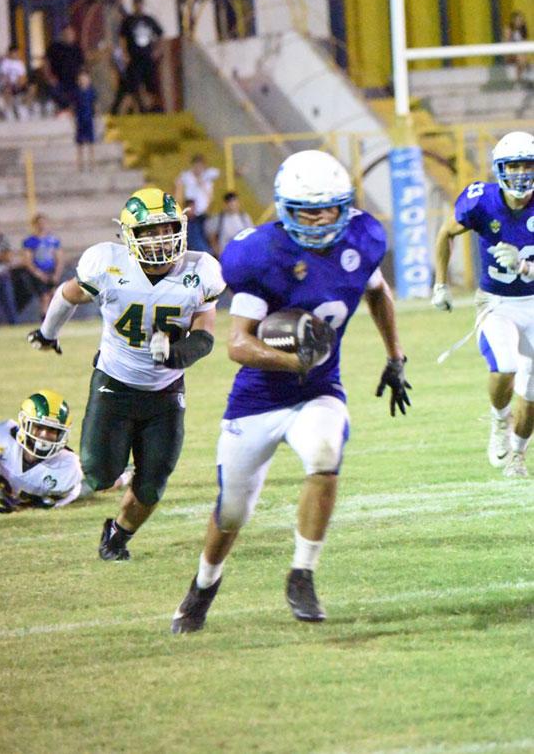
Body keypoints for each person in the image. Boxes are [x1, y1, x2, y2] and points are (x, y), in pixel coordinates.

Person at [170, 149, 411, 633]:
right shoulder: (262, 254)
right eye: (308, 209)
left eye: (329, 207)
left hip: (319, 391)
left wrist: (394, 357)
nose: (321, 218)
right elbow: (237, 344)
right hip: (258, 398)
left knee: (325, 454)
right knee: (233, 510)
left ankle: (302, 574)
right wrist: (292, 358)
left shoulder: (362, 239)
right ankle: (203, 585)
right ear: (286, 208)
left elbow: (377, 292)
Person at [26, 187, 225, 560]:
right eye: (149, 231)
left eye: (166, 228)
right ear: (129, 235)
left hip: (165, 391)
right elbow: (68, 294)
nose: (160, 238)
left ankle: (117, 536)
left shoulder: (201, 270)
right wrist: (47, 333)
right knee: (100, 474)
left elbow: (206, 335)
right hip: (114, 383)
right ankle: (118, 461)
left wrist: (175, 354)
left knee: (153, 485)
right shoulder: (107, 263)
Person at [432, 130, 534, 478]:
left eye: (527, 165)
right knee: (504, 365)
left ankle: (518, 456)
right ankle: (497, 422)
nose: (521, 173)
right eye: (514, 165)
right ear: (499, 169)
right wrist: (440, 284)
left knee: (532, 390)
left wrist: (525, 265)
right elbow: (446, 233)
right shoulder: (480, 201)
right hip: (496, 302)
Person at [0, 390, 82, 514]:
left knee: (85, 488)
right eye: (38, 427)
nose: (44, 435)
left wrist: (21, 509)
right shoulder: (3, 440)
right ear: (24, 424)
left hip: (67, 494)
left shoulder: (67, 466)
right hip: (12, 496)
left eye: (52, 430)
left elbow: (45, 506)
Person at [120, 0, 164, 112]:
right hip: (134, 58)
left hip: (148, 58)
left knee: (150, 85)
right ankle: (135, 109)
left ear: (143, 5)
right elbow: (122, 39)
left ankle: (151, 108)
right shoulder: (128, 21)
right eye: (136, 3)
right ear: (133, 5)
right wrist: (125, 54)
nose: (139, 6)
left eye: (140, 3)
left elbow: (160, 34)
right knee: (133, 85)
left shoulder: (149, 20)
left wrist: (157, 50)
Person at [174, 155, 220, 252]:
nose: (198, 168)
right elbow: (178, 189)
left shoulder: (209, 175)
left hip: (204, 213)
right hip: (190, 214)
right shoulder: (186, 176)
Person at [22, 214, 64, 319]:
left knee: (54, 294)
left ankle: (55, 317)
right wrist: (39, 274)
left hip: (51, 271)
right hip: (39, 272)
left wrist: (57, 274)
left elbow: (59, 259)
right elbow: (28, 261)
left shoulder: (53, 240)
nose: (42, 226)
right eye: (39, 223)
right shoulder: (30, 241)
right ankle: (45, 319)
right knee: (44, 296)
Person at [45, 24, 84, 114]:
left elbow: (82, 65)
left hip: (74, 80)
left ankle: (74, 110)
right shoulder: (54, 47)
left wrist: (83, 77)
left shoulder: (77, 49)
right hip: (58, 80)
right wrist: (49, 77)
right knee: (54, 91)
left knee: (84, 93)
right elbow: (46, 63)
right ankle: (67, 108)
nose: (69, 36)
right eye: (67, 34)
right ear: (62, 35)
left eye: (71, 34)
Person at [205, 191, 254, 258]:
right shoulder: (219, 219)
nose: (234, 206)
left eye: (236, 203)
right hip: (225, 254)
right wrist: (218, 252)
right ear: (226, 204)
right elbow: (211, 237)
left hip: (242, 255)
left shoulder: (244, 217)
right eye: (231, 204)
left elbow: (251, 235)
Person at [74, 68, 97, 171]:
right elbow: (75, 106)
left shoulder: (91, 91)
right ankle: (80, 165)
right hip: (80, 119)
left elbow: (94, 104)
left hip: (89, 118)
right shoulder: (78, 92)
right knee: (80, 144)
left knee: (91, 143)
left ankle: (92, 164)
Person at [0, 46, 28, 119]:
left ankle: (23, 107)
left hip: (18, 84)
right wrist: (10, 84)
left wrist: (19, 83)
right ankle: (8, 110)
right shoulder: (5, 63)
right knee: (7, 90)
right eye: (14, 53)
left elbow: (22, 76)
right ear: (10, 53)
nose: (16, 54)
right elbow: (4, 76)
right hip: (8, 84)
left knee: (31, 89)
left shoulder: (20, 63)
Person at [502, 11, 528, 84]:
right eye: (519, 20)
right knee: (521, 58)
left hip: (519, 54)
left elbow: (524, 43)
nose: (521, 22)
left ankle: (522, 78)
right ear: (514, 21)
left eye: (522, 20)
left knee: (522, 57)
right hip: (509, 54)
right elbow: (507, 43)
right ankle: (519, 80)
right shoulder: (508, 29)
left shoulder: (522, 30)